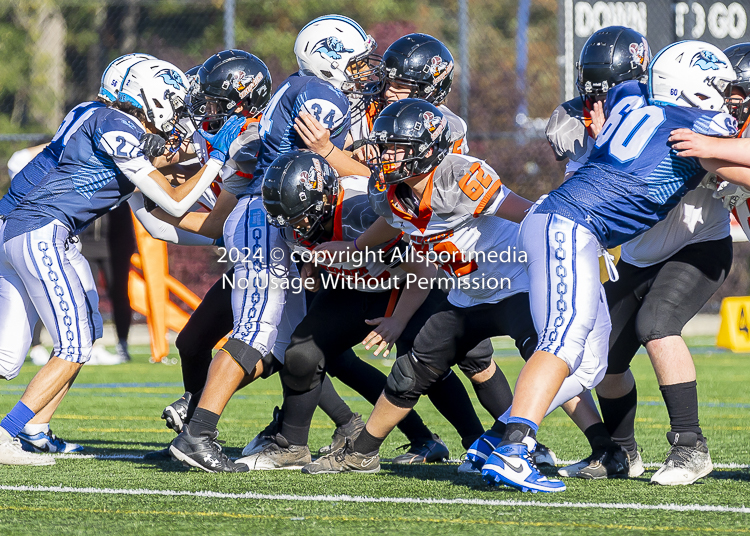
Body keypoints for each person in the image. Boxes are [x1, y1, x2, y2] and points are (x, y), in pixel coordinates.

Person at [479, 41, 739, 493]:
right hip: (574, 227)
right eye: (719, 86)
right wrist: (713, 144)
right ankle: (516, 450)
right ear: (695, 89)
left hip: (566, 223)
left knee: (589, 361)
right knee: (562, 342)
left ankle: (499, 438)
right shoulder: (698, 128)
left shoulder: (631, 100)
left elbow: (616, 107)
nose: (727, 96)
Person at [302, 100, 596, 480]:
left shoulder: (460, 176)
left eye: (396, 147)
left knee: (547, 361)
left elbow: (532, 215)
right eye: (385, 145)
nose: (385, 155)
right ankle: (362, 453)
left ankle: (600, 445)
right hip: (465, 295)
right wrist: (328, 253)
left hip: (515, 284)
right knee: (411, 371)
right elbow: (365, 246)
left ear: (426, 148)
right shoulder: (395, 194)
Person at [0, 58, 243, 466]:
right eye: (173, 102)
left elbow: (155, 223)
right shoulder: (115, 127)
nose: (180, 114)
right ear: (148, 97)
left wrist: (223, 233)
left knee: (16, 352)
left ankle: (36, 429)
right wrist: (218, 158)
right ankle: (6, 433)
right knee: (74, 345)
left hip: (26, 231)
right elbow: (175, 201)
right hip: (41, 232)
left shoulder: (95, 117)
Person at [167, 15, 378, 472]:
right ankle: (198, 434)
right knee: (254, 331)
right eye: (356, 61)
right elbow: (315, 169)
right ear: (329, 59)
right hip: (268, 217)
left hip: (272, 218)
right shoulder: (321, 97)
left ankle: (325, 431)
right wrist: (368, 173)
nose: (363, 72)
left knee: (289, 341)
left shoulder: (305, 89)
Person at [545, 26, 651, 479]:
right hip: (612, 249)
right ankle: (617, 451)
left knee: (620, 343)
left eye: (606, 86)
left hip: (667, 244)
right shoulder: (573, 120)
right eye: (591, 85)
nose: (596, 97)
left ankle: (510, 432)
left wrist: (608, 139)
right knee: (597, 355)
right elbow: (579, 190)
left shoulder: (657, 112)